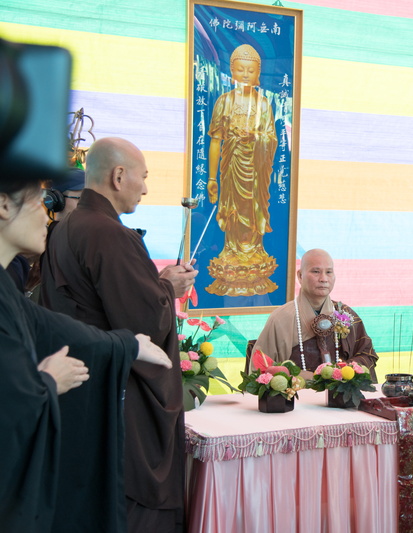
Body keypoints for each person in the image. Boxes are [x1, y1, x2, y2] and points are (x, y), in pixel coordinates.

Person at [39, 137, 197, 532]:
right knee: (131, 503)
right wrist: (167, 289)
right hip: (118, 398)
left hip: (79, 389)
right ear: (118, 175)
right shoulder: (110, 233)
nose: (144, 189)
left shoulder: (64, 228)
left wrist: (155, 284)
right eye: (142, 178)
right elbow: (143, 323)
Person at [0, 172, 172, 532]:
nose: (47, 213)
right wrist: (47, 382)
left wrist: (126, 344)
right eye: (38, 200)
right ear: (3, 205)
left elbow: (47, 324)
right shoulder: (106, 232)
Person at [206, 43, 278, 297]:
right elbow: (216, 140)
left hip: (256, 172)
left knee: (253, 208)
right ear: (232, 71)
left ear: (257, 73)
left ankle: (254, 253)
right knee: (234, 211)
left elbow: (272, 138)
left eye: (250, 70)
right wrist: (211, 178)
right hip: (233, 166)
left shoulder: (264, 103)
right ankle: (233, 254)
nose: (245, 74)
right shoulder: (224, 102)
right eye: (240, 69)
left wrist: (256, 138)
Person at [253, 248, 378, 380]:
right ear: (300, 276)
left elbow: (367, 355)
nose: (323, 279)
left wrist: (341, 371)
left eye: (329, 272)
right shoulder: (281, 318)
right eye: (316, 272)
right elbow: (262, 366)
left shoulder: (346, 314)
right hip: (296, 397)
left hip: (339, 397)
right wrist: (299, 377)